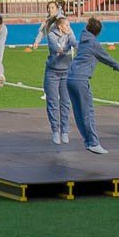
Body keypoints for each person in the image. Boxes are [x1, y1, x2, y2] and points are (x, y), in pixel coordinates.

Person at [66, 18, 119, 154]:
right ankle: (93, 142)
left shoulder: (83, 40)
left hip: (70, 79)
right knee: (88, 112)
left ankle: (88, 141)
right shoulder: (94, 44)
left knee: (79, 113)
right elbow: (106, 57)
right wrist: (118, 66)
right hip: (81, 80)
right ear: (98, 32)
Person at [44, 12, 77, 145]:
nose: (69, 27)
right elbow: (55, 47)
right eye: (67, 25)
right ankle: (55, 130)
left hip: (66, 72)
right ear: (60, 27)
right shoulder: (52, 35)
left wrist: (79, 47)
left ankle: (64, 130)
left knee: (65, 102)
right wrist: (62, 49)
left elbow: (74, 42)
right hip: (52, 72)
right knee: (52, 102)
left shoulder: (69, 34)